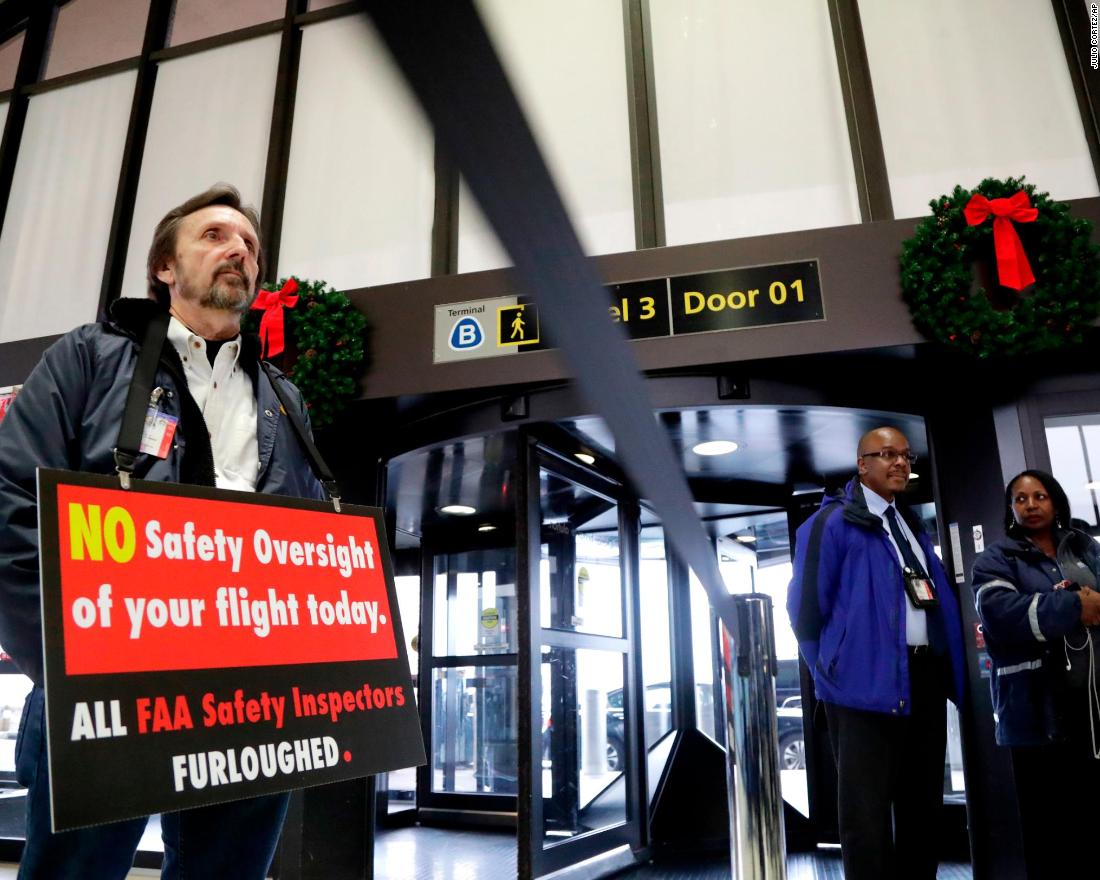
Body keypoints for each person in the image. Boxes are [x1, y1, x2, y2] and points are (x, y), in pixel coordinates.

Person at [0, 184, 325, 879]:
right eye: (213, 235)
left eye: (249, 245)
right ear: (165, 269)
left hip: (254, 703)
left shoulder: (284, 399)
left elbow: (310, 547)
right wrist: (63, 663)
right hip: (107, 695)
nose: (239, 249)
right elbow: (10, 502)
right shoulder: (89, 358)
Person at [786, 426, 967, 880]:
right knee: (865, 819)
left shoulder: (908, 523)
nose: (900, 463)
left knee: (922, 807)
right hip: (859, 689)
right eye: (887, 454)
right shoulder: (829, 523)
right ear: (862, 464)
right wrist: (832, 673)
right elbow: (805, 611)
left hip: (921, 679)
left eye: (906, 456)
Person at [972, 469, 1100, 878]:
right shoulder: (996, 558)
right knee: (1049, 833)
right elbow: (1000, 616)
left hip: (1093, 709)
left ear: (1055, 501)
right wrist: (1074, 607)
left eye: (1040, 496)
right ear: (1011, 507)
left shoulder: (1085, 548)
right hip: (1034, 712)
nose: (1031, 505)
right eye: (1021, 498)